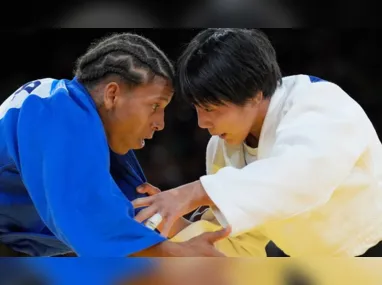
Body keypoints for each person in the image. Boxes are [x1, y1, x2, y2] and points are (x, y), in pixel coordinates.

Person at [132, 28, 382, 257]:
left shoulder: (319, 102)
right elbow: (240, 238)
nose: (202, 123)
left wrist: (193, 193)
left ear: (254, 93)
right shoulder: (221, 146)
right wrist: (176, 225)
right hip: (310, 263)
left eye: (211, 108)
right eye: (197, 108)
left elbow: (302, 179)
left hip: (372, 247)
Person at [0, 31, 230, 257]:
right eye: (155, 106)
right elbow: (93, 222)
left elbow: (132, 219)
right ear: (112, 94)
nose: (160, 123)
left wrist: (193, 238)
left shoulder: (85, 124)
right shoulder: (58, 112)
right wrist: (180, 255)